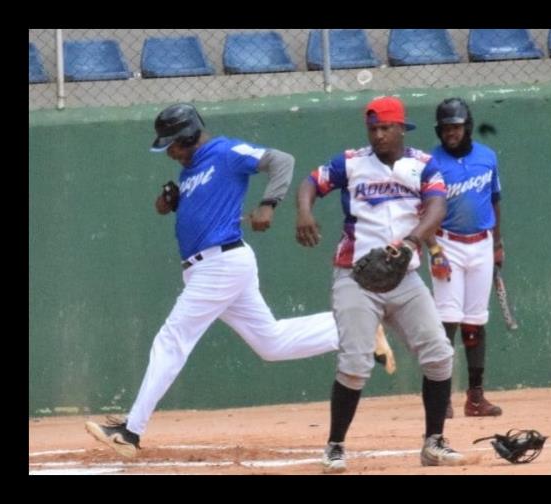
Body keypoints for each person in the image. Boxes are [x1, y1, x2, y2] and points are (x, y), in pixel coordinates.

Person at [84, 103, 397, 458]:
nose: (170, 152)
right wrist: (170, 200)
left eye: (173, 144)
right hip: (210, 267)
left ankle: (130, 432)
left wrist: (269, 203)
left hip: (222, 263)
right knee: (271, 342)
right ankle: (356, 329)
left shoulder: (227, 151)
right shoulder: (190, 172)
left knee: (172, 339)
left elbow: (282, 160)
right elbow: (185, 208)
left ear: (189, 135)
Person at [296, 96, 464, 473]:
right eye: (373, 129)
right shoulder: (351, 163)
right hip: (356, 276)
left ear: (401, 128)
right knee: (355, 363)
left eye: (385, 128)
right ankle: (335, 445)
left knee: (439, 356)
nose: (378, 135)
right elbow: (311, 182)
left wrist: (411, 241)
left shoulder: (423, 165)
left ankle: (434, 442)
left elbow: (437, 208)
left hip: (404, 277)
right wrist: (304, 211)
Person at [426, 97, 503, 418]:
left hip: (482, 243)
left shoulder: (487, 158)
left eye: (456, 126)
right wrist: (434, 251)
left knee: (475, 322)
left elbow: (495, 200)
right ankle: (442, 396)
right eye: (445, 128)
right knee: (447, 321)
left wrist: (498, 244)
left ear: (467, 127)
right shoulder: (430, 163)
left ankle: (475, 397)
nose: (451, 133)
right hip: (447, 245)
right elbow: (424, 211)